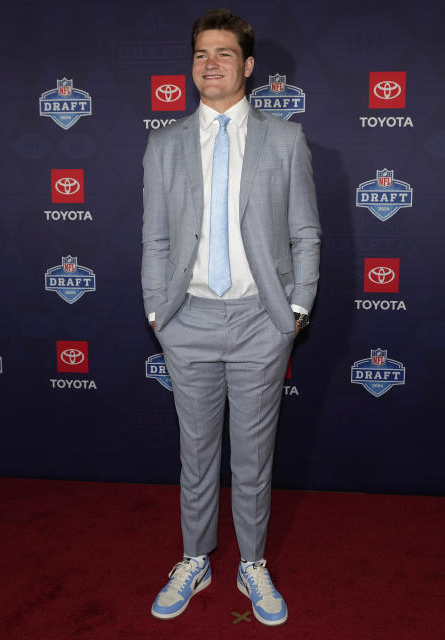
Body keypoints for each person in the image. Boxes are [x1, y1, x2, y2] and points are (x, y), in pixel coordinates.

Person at [141, 8, 320, 626]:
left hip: (258, 323)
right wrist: (156, 312)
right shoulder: (163, 144)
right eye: (200, 54)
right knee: (196, 453)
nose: (209, 64)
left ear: (247, 66)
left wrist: (294, 310)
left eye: (223, 54)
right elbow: (155, 238)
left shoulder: (285, 138)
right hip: (186, 321)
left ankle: (252, 564)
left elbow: (305, 230)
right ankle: (194, 557)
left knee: (253, 454)